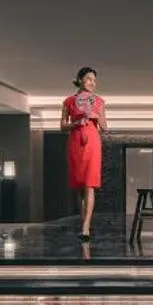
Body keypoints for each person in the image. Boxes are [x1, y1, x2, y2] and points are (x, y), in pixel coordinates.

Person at [61, 67, 107, 241]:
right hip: (76, 141)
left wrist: (95, 116)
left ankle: (86, 226)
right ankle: (83, 223)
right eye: (89, 79)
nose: (92, 83)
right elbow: (62, 126)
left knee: (89, 184)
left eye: (94, 80)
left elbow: (105, 127)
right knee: (79, 186)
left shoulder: (99, 101)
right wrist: (76, 122)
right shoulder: (69, 101)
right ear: (80, 80)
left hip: (92, 143)